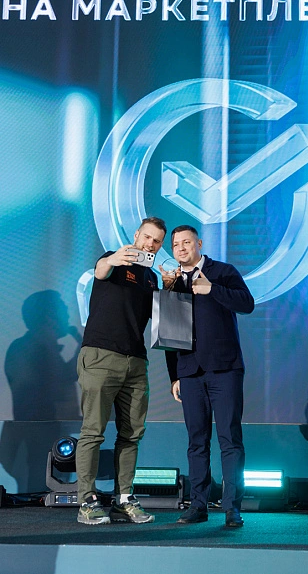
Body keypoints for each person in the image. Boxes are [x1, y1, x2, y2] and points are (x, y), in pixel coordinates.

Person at [161, 225, 254, 528]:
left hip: (225, 369)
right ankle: (197, 505)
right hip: (189, 372)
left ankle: (232, 507)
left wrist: (212, 289)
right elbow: (169, 334)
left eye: (186, 242)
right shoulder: (172, 283)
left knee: (230, 439)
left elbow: (247, 303)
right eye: (176, 245)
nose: (181, 248)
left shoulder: (223, 272)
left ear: (198, 243)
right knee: (196, 442)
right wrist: (174, 375)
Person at [76, 216, 166, 525]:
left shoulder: (151, 278)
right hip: (101, 356)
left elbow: (160, 320)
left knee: (132, 434)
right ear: (136, 235)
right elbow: (101, 270)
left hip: (136, 362)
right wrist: (113, 259)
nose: (150, 244)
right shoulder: (113, 259)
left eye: (156, 241)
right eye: (147, 237)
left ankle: (124, 499)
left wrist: (170, 291)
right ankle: (87, 501)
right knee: (93, 431)